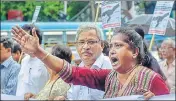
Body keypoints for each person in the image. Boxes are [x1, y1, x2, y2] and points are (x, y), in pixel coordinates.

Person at [12, 26, 170, 100]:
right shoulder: (108, 77)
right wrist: (39, 52)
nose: (113, 50)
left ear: (135, 52)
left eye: (119, 46)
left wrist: (157, 99)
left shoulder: (152, 80)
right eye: (112, 45)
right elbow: (74, 73)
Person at [63, 24, 112, 100]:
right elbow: (72, 96)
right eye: (81, 42)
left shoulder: (111, 67)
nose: (85, 47)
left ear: (102, 45)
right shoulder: (78, 69)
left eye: (91, 42)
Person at [16, 24, 49, 96]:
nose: (21, 42)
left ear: (36, 40)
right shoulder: (24, 60)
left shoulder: (47, 61)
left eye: (25, 39)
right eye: (20, 39)